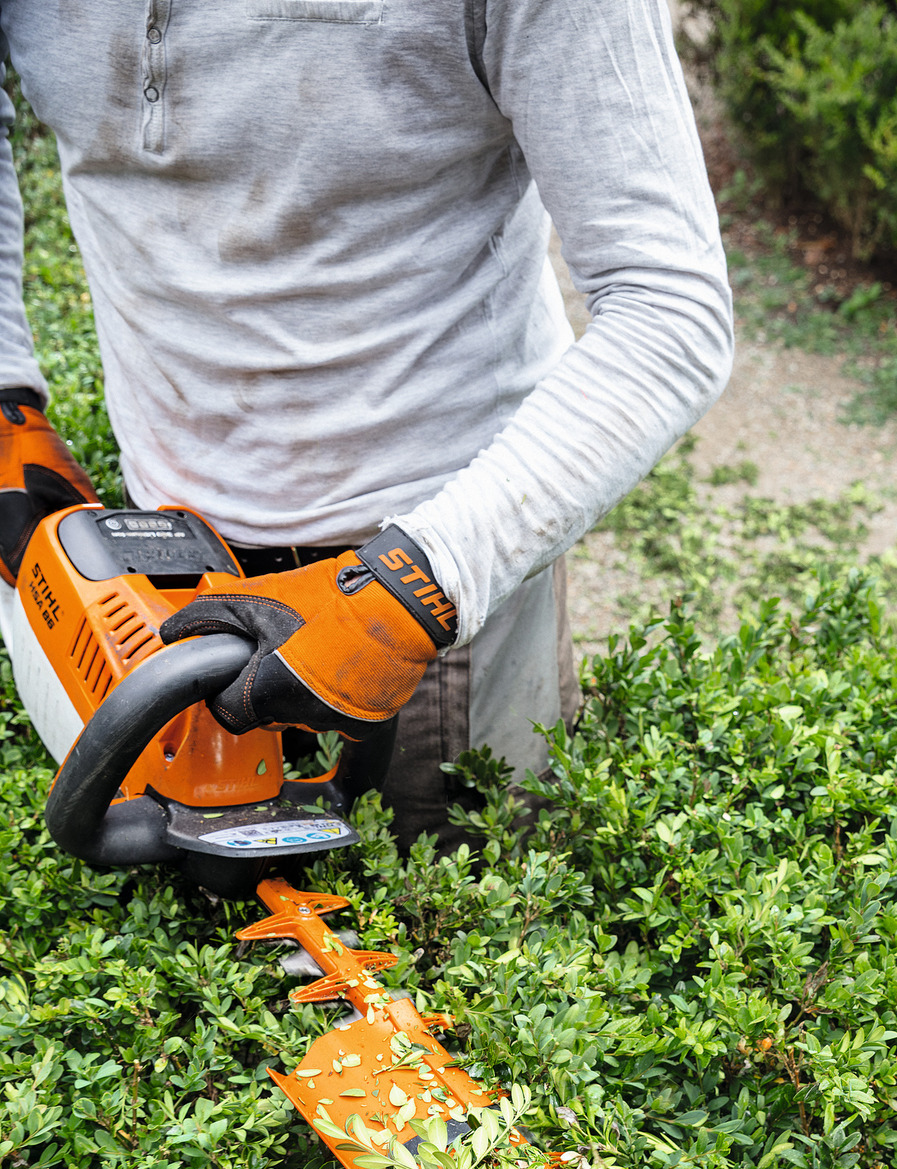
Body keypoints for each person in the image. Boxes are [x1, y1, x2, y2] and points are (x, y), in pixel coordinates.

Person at [0, 1, 732, 850]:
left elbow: (669, 305)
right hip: (156, 570)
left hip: (435, 596)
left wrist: (415, 591)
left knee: (453, 951)